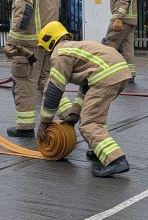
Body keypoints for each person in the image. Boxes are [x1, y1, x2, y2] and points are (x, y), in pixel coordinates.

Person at [36, 21, 131, 177]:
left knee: (89, 123)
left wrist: (44, 123)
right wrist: (74, 113)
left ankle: (116, 160)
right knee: (96, 118)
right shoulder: (75, 47)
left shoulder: (59, 54)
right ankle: (99, 150)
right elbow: (85, 86)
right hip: (119, 72)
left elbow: (54, 91)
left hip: (106, 76)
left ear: (49, 41)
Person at [3, 0, 60, 138]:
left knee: (24, 83)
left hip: (28, 43)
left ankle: (25, 127)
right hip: (49, 41)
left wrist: (13, 41)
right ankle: (67, 113)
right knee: (47, 82)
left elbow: (24, 11)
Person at [102, 0, 137, 81]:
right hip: (130, 19)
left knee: (108, 43)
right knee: (127, 47)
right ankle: (130, 74)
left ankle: (105, 71)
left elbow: (124, 0)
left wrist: (119, 18)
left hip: (121, 19)